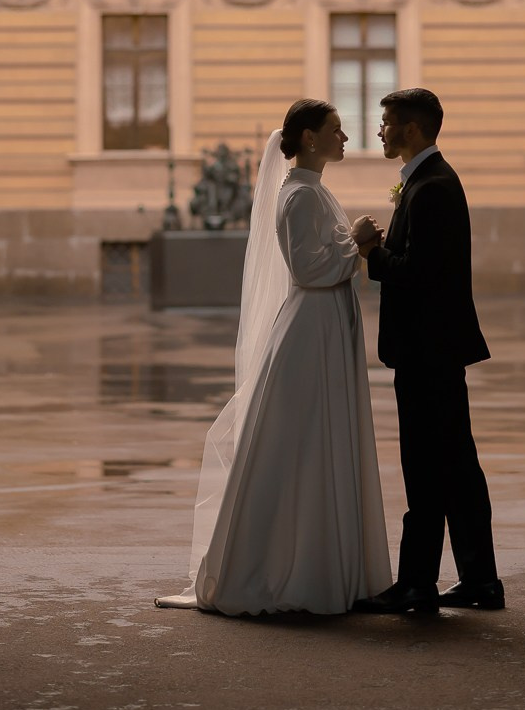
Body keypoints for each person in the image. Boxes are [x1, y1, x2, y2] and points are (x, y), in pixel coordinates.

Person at [156, 99, 391, 616]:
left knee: (317, 438)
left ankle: (325, 564)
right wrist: (358, 242)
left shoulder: (315, 191)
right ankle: (288, 568)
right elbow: (310, 269)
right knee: (304, 441)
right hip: (312, 327)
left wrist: (354, 244)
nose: (346, 137)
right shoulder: (299, 197)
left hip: (327, 321)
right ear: (309, 138)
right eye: (336, 130)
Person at [351, 87, 504, 615]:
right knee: (456, 465)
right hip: (434, 349)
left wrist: (373, 251)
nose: (381, 131)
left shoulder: (431, 186)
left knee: (425, 466)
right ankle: (480, 580)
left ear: (412, 129)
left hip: (427, 351)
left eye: (388, 122)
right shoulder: (426, 181)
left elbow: (418, 273)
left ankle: (418, 584)